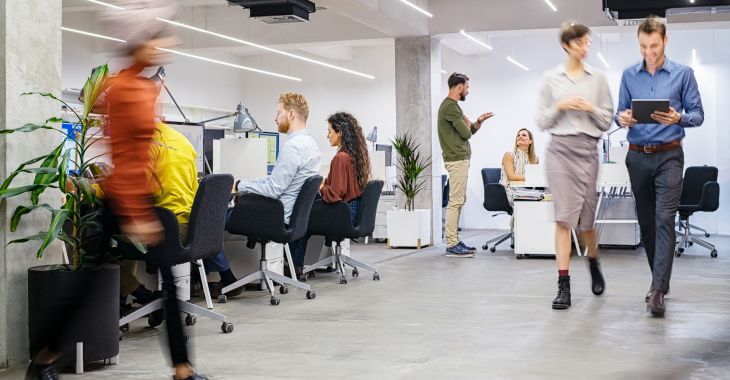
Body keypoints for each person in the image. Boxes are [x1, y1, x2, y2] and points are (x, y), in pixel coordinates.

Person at [616, 16, 704, 317]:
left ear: (665, 41)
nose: (649, 52)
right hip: (637, 155)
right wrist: (623, 118)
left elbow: (698, 114)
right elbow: (620, 111)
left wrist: (679, 118)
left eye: (653, 45)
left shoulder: (684, 74)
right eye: (643, 46)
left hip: (669, 155)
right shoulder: (628, 75)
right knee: (648, 223)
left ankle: (656, 290)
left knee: (665, 218)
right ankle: (660, 282)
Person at [537, 22, 614, 310]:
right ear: (567, 46)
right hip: (559, 150)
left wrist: (590, 108)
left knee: (586, 221)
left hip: (587, 150)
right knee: (563, 218)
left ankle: (593, 260)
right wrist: (560, 106)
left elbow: (607, 121)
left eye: (588, 43)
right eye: (580, 43)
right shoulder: (550, 79)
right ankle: (563, 284)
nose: (586, 48)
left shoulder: (599, 79)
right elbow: (542, 121)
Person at [228, 92, 321, 285]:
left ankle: (222, 278)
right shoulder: (311, 145)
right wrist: (246, 183)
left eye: (279, 112)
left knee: (219, 217)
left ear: (292, 114)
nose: (275, 117)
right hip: (290, 217)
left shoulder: (293, 147)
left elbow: (273, 189)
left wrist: (239, 186)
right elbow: (276, 182)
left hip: (276, 217)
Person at [288, 112, 371, 279]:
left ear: (340, 132)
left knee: (301, 219)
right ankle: (297, 265)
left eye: (329, 131)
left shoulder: (340, 158)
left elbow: (334, 194)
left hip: (343, 216)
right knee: (308, 215)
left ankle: (294, 266)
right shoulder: (354, 156)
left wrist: (321, 186)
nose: (327, 135)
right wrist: (326, 183)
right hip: (352, 213)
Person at [437, 72, 494, 258]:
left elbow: (467, 131)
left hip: (459, 159)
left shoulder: (452, 107)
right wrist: (468, 125)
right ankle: (452, 244)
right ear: (459, 86)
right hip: (456, 160)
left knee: (459, 200)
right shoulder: (450, 107)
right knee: (455, 202)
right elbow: (466, 134)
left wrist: (476, 123)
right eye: (467, 87)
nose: (467, 91)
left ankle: (455, 240)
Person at [499, 128, 540, 205]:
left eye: (524, 135)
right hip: (508, 191)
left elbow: (536, 180)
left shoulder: (535, 159)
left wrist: (535, 178)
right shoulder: (509, 155)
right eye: (518, 135)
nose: (520, 136)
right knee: (528, 202)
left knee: (542, 198)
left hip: (525, 190)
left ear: (530, 141)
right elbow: (512, 177)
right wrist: (532, 177)